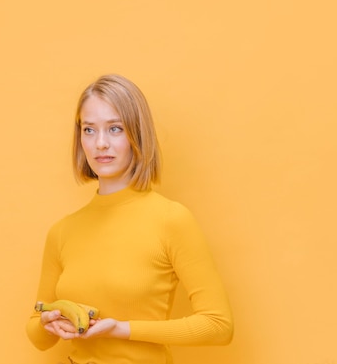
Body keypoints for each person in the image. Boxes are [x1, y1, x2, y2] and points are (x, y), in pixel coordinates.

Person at [26, 74, 233, 363]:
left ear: (137, 134)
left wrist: (122, 329)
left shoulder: (171, 220)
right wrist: (49, 323)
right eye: (89, 130)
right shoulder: (62, 232)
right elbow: (37, 337)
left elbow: (218, 326)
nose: (100, 144)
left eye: (115, 129)